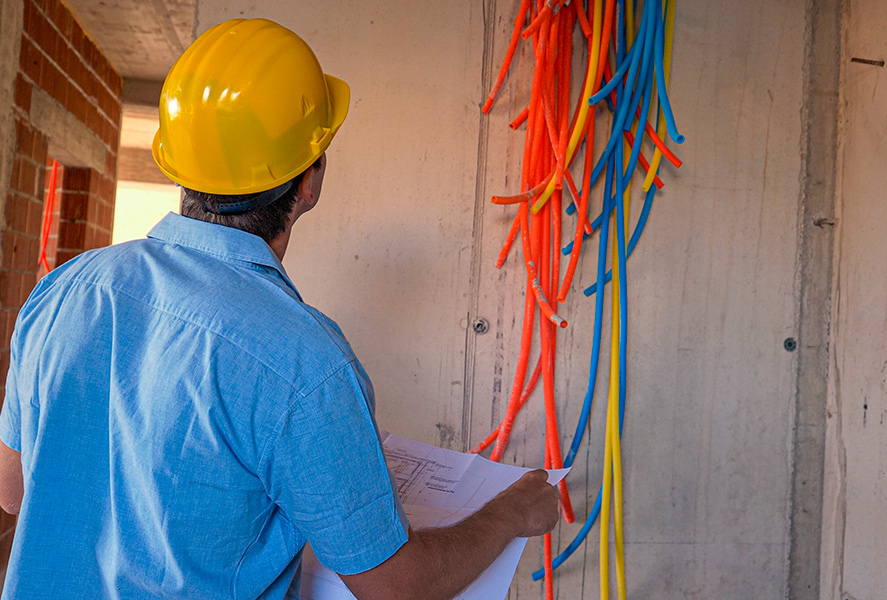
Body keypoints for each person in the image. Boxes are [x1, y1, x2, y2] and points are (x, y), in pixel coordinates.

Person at [0, 17, 560, 600]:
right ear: (309, 181)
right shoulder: (305, 366)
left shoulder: (63, 289)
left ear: (178, 163)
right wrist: (511, 513)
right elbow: (396, 586)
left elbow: (14, 491)